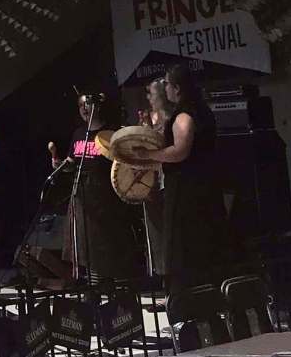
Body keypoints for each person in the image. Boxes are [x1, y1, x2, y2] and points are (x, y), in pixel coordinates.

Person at [134, 64, 229, 301]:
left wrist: (148, 155)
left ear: (177, 88)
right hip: (205, 187)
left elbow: (180, 151)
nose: (164, 87)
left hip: (187, 191)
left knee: (184, 248)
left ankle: (191, 301)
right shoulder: (202, 111)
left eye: (167, 83)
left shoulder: (185, 115)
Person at [51, 92, 139, 283]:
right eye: (80, 106)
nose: (84, 109)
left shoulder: (110, 133)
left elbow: (124, 164)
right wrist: (60, 165)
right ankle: (92, 287)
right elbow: (72, 162)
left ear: (97, 107)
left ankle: (113, 286)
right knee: (85, 245)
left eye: (87, 104)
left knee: (105, 244)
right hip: (82, 195)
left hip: (104, 197)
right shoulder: (78, 134)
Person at [137, 78, 171, 281]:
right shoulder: (149, 117)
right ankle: (161, 276)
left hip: (169, 181)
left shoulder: (173, 119)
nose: (149, 98)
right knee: (155, 232)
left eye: (152, 93)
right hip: (152, 182)